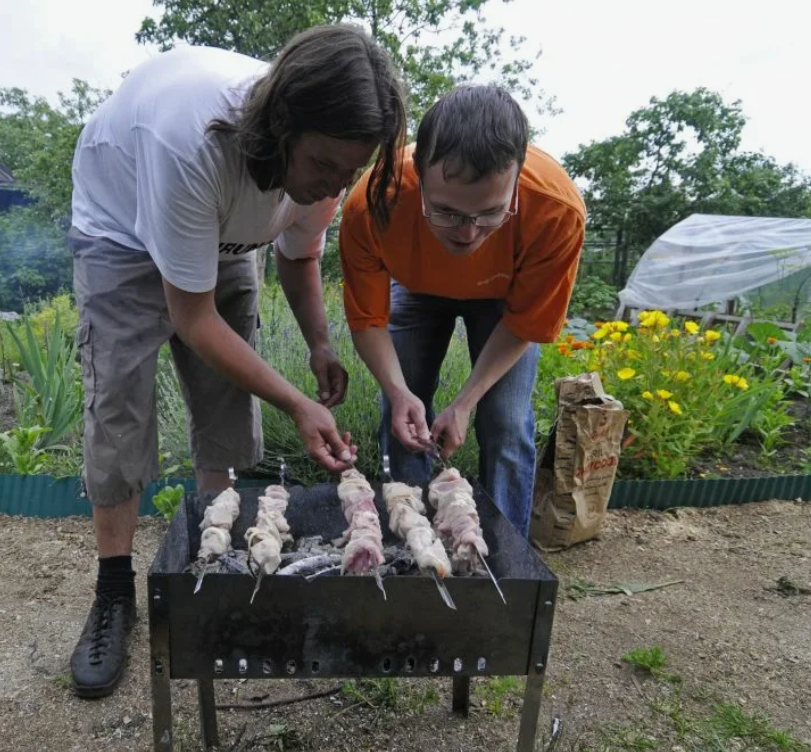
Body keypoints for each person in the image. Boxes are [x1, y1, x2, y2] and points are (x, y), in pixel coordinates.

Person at [65, 24, 407, 699]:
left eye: (349, 172)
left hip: (224, 237)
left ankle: (213, 556)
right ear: (281, 127)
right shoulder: (190, 141)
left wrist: (318, 343)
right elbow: (192, 319)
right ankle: (112, 594)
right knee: (120, 407)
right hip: (123, 229)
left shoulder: (325, 153)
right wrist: (297, 404)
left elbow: (300, 252)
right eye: (324, 168)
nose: (332, 187)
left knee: (227, 399)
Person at [339, 84, 585, 539]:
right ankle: (409, 536)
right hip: (414, 286)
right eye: (446, 212)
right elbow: (368, 320)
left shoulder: (556, 210)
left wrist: (465, 402)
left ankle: (503, 546)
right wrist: (397, 390)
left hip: (501, 298)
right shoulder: (375, 201)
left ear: (518, 175)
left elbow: (526, 321)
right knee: (401, 414)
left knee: (505, 421)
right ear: (420, 176)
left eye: (491, 213)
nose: (468, 235)